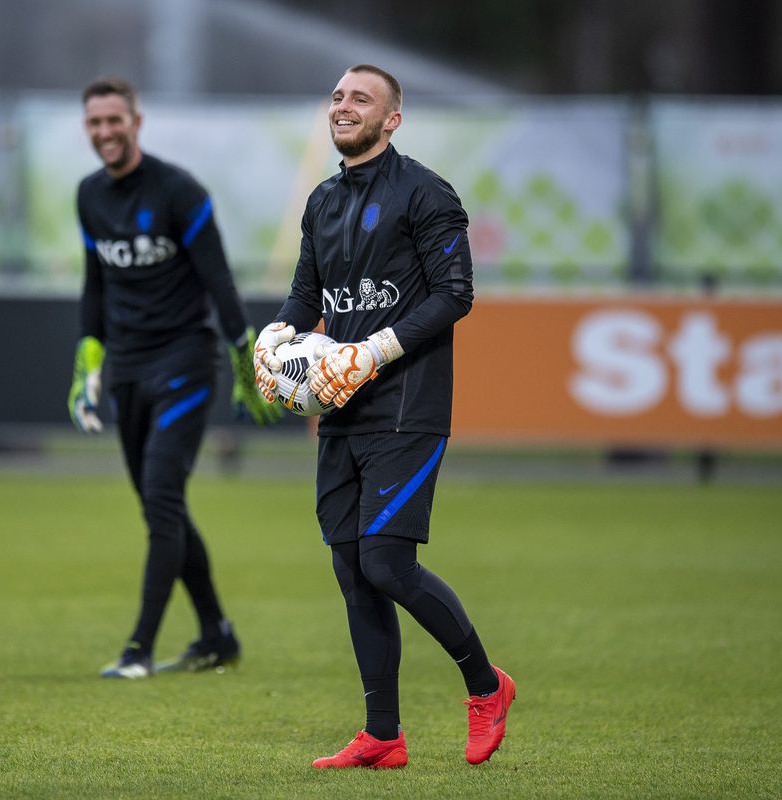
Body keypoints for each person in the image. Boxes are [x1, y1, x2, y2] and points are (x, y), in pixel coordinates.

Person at [254, 64, 515, 767]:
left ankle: (488, 687)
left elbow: (456, 293)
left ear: (391, 119)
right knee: (351, 569)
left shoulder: (427, 193)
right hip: (340, 408)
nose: (343, 106)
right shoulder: (322, 200)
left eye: (360, 99)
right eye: (337, 96)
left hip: (407, 407)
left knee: (388, 564)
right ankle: (383, 736)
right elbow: (305, 293)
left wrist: (377, 348)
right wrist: (276, 335)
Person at [70, 76, 280, 679]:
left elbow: (219, 280)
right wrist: (88, 360)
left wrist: (245, 359)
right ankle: (217, 634)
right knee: (161, 508)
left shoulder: (178, 190)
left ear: (137, 121)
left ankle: (139, 649)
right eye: (94, 123)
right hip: (129, 369)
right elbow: (94, 286)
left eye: (115, 120)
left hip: (186, 360)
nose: (105, 132)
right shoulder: (88, 196)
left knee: (161, 498)